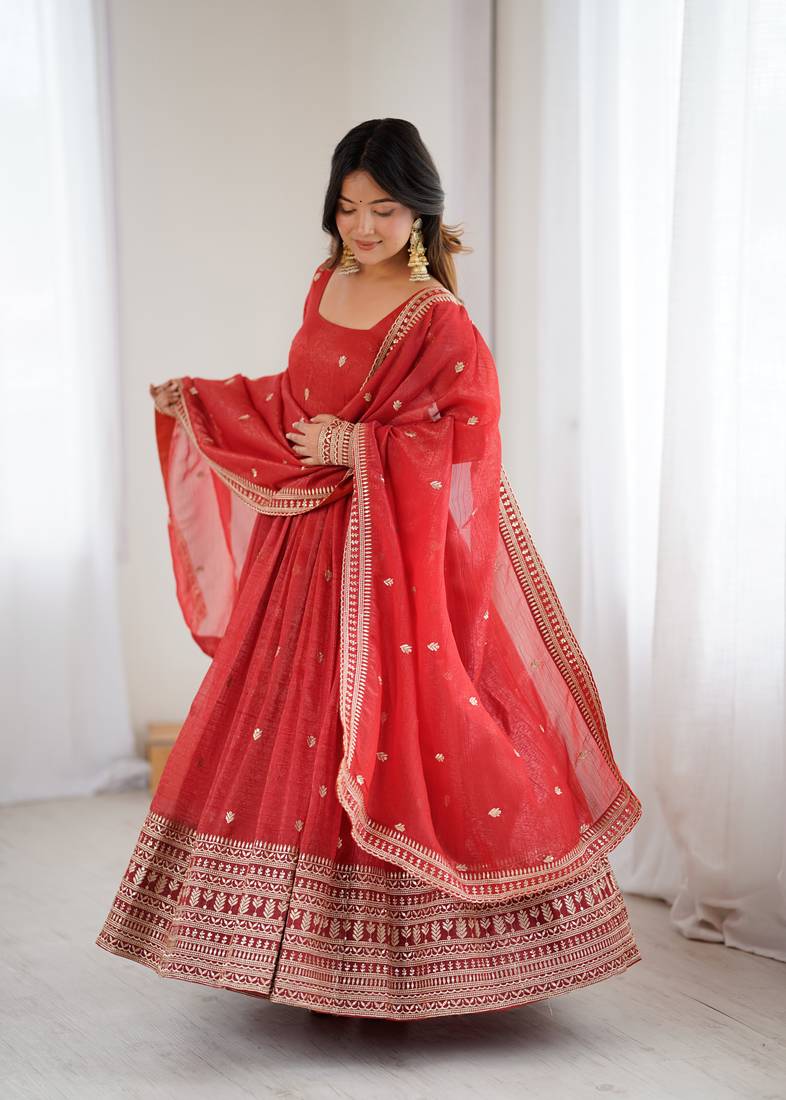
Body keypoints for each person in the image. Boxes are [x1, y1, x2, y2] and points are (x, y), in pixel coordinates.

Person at [96, 118, 643, 1021]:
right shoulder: (327, 285)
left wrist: (362, 447)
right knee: (283, 729)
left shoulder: (441, 322)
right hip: (299, 557)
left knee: (402, 728)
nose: (362, 227)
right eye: (348, 209)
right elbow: (295, 397)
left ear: (420, 212)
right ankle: (283, 950)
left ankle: (426, 965)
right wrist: (204, 400)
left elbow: (468, 442)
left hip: (385, 566)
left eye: (382, 210)